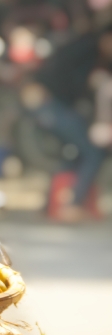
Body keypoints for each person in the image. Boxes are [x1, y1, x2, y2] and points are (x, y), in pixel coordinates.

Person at [31, 27, 112, 220]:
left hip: (57, 107)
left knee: (75, 152)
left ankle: (52, 204)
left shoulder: (93, 53)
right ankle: (73, 204)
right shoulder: (85, 50)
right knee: (92, 152)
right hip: (54, 106)